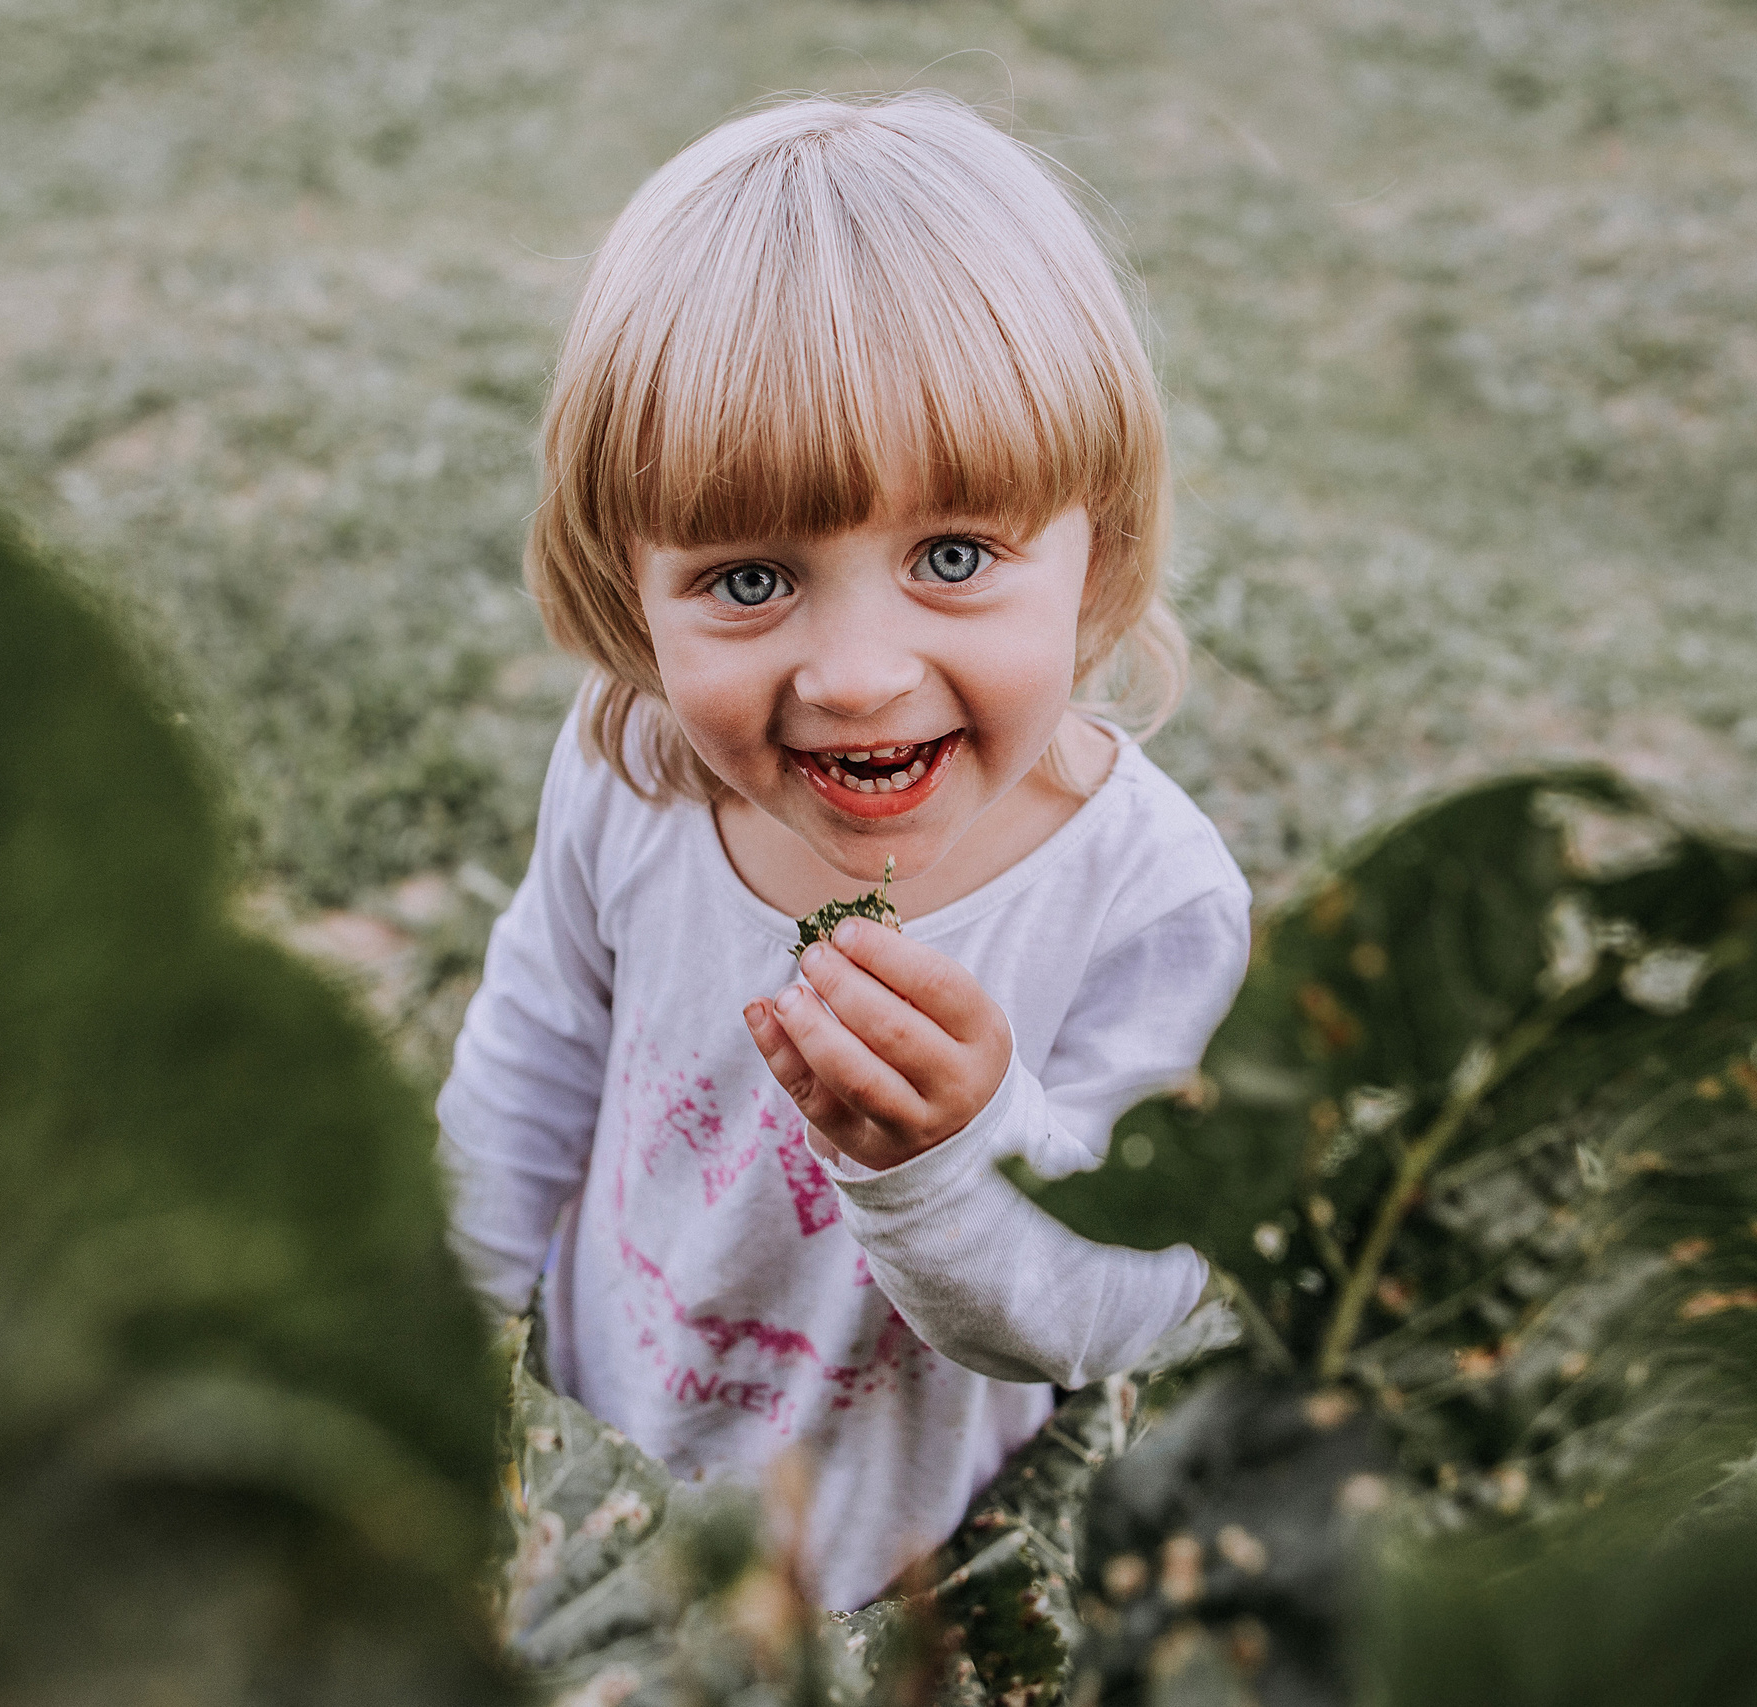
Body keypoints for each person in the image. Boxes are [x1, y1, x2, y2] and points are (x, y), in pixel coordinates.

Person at [437, 91, 1251, 1612]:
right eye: (749, 577)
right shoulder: (636, 781)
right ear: (630, 596)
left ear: (1100, 553)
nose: (860, 673)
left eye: (955, 557)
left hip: (898, 1559)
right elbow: (539, 1039)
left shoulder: (1143, 896)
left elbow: (1123, 1305)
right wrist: (428, 1335)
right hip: (592, 1451)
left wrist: (954, 1163)